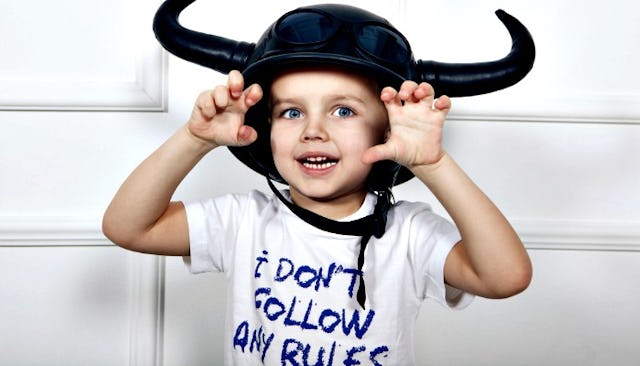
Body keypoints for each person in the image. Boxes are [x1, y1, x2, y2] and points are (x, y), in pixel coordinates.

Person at [103, 1, 535, 364]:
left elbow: (506, 277)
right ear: (265, 127)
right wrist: (194, 139)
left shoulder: (409, 234)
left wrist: (434, 164)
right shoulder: (242, 221)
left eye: (343, 111)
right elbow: (128, 227)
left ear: (387, 132)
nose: (314, 130)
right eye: (291, 112)